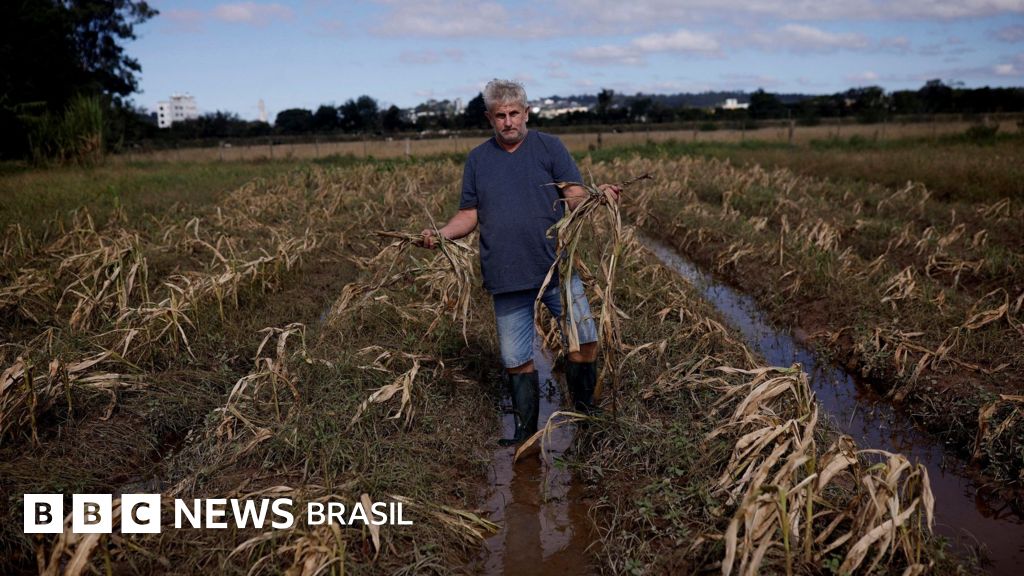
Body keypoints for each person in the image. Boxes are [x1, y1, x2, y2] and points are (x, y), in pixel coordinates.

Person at [421, 79, 620, 447]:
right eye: (501, 116)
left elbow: (573, 194)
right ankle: (526, 433)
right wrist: (442, 233)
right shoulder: (479, 159)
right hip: (507, 274)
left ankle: (585, 416)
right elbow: (468, 214)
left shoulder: (549, 147)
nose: (509, 121)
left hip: (556, 268)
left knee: (585, 342)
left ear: (526, 112)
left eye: (515, 113)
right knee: (516, 359)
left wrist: (596, 196)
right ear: (489, 118)